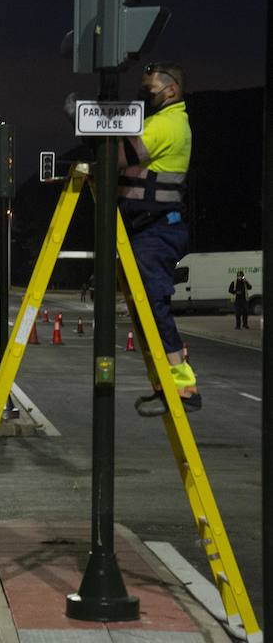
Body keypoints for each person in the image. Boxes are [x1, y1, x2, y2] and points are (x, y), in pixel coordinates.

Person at [118, 62, 200, 414]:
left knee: (152, 302)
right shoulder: (158, 120)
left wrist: (88, 126)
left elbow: (123, 155)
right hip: (147, 227)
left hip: (158, 229)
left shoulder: (167, 124)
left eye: (149, 90)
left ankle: (182, 385)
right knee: (145, 305)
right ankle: (166, 381)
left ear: (171, 91)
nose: (143, 95)